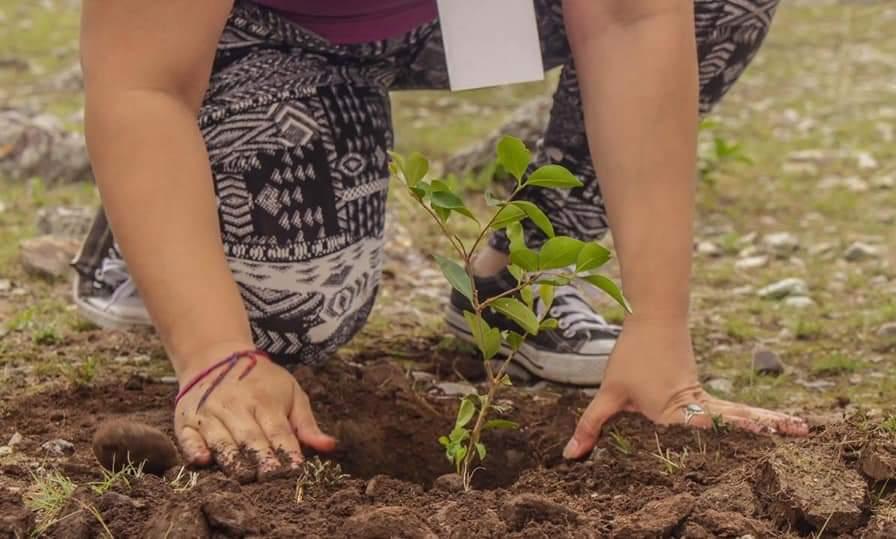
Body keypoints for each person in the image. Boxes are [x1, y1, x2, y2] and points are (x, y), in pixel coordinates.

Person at [75, 0, 807, 481]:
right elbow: (144, 85)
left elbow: (632, 16)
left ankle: (520, 280)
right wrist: (214, 352)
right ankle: (162, 219)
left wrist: (658, 326)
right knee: (284, 316)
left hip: (466, 10)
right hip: (262, 24)